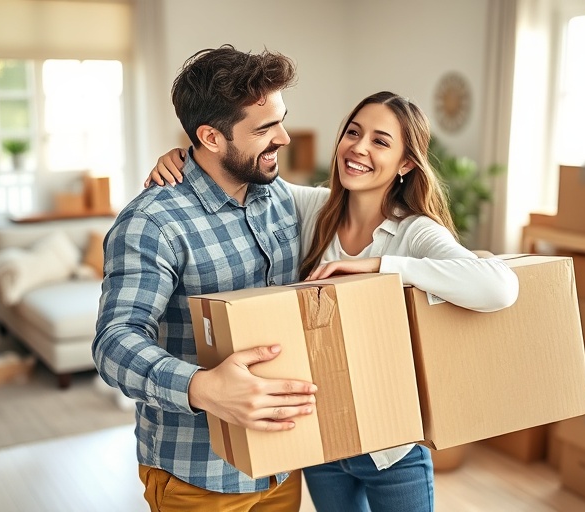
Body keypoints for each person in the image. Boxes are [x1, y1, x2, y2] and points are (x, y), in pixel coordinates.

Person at [146, 91, 520, 512]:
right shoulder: (310, 209)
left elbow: (499, 288)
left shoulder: (414, 233)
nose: (358, 147)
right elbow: (235, 167)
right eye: (353, 132)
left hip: (391, 450)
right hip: (321, 447)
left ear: (406, 163)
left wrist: (383, 266)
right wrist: (184, 155)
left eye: (380, 141)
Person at [93, 45, 319, 512]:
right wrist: (203, 387)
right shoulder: (153, 222)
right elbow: (114, 342)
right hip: (199, 475)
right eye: (263, 129)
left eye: (280, 119)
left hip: (282, 460)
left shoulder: (276, 194)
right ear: (211, 138)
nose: (284, 138)